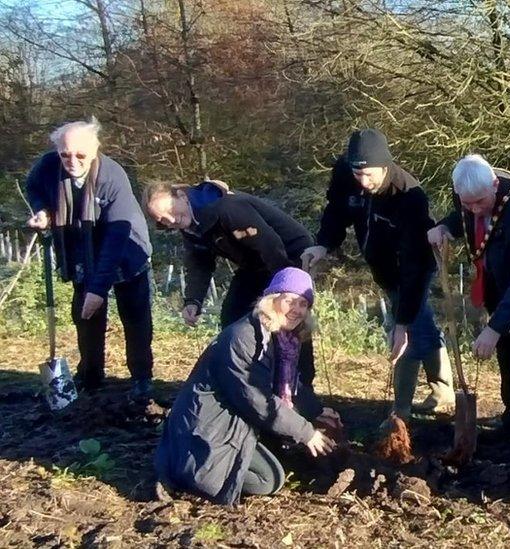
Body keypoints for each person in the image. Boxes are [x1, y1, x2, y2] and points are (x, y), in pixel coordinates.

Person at [155, 268, 342, 505]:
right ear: (272, 299)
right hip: (209, 427)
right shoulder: (243, 338)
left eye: (303, 304)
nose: (296, 309)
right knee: (270, 479)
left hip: (236, 418)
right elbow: (257, 398)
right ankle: (189, 472)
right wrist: (307, 433)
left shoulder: (280, 337)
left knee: (282, 456)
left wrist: (316, 410)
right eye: (290, 300)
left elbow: (286, 383)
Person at [303, 129, 454, 419]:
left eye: (369, 175)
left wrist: (401, 322)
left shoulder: (409, 196)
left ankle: (401, 412)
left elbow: (414, 264)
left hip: (413, 269)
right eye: (357, 174)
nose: (362, 182)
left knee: (409, 331)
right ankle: (443, 390)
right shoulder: (347, 175)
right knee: (419, 326)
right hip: (382, 267)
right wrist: (324, 243)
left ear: (385, 166)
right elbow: (336, 211)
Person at [428, 154, 510, 461]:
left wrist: (494, 327)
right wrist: (444, 227)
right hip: (496, 285)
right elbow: (463, 219)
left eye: (479, 202)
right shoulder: (469, 195)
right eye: (466, 203)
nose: (473, 209)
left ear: (495, 184)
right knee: (507, 359)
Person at [26, 118, 154, 398]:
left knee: (135, 317)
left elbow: (116, 236)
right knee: (85, 316)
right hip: (82, 249)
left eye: (80, 155)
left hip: (125, 250)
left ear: (95, 151)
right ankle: (91, 377)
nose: (72, 161)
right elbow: (33, 186)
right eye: (65, 154)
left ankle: (142, 378)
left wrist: (98, 289)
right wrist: (43, 210)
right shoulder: (48, 167)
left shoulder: (112, 176)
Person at [143, 179, 317, 384]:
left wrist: (280, 291)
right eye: (162, 220)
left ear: (181, 196)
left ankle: (302, 382)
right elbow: (199, 263)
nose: (170, 220)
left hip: (290, 255)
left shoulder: (228, 208)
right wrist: (193, 301)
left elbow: (271, 245)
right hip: (254, 263)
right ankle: (243, 376)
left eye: (170, 210)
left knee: (288, 316)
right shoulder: (190, 227)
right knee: (232, 315)